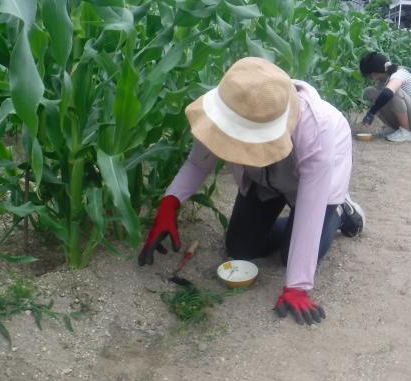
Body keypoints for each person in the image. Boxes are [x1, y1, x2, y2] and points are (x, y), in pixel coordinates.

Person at [138, 57, 365, 325]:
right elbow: (198, 163)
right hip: (265, 181)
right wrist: (169, 205)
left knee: (291, 256)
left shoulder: (319, 128)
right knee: (240, 248)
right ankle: (292, 225)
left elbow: (312, 203)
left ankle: (342, 210)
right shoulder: (233, 101)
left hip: (316, 189)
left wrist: (297, 287)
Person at [359, 52, 411, 143]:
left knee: (393, 92)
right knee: (369, 92)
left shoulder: (398, 74)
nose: (368, 77)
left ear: (373, 73)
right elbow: (379, 98)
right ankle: (395, 128)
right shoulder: (383, 79)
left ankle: (406, 132)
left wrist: (371, 113)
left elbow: (388, 93)